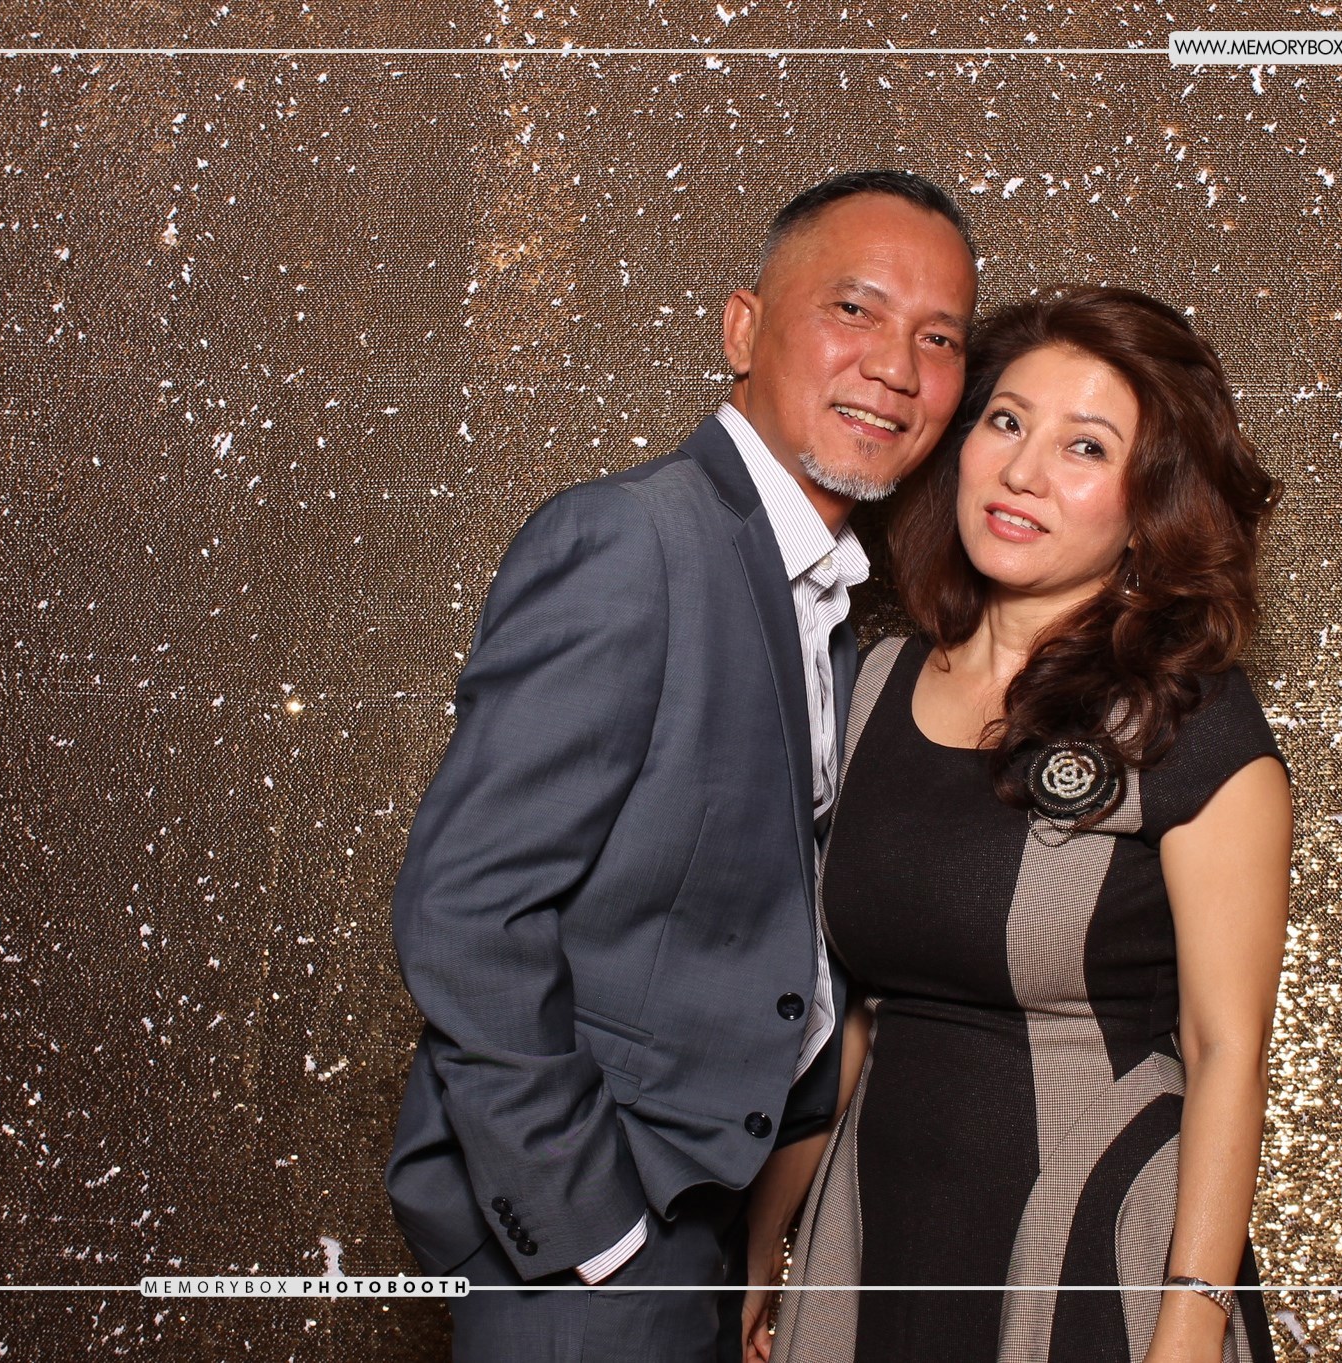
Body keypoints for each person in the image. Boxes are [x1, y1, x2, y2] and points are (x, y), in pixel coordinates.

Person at [385, 170, 978, 1362]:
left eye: (939, 338)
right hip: (595, 1245)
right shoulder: (631, 540)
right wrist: (597, 1233)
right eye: (852, 310)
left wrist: (749, 1236)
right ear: (742, 329)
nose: (894, 367)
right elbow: (466, 908)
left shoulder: (827, 602)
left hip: (706, 1225)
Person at [745, 286, 1293, 1363]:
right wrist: (763, 1245)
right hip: (875, 1234)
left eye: (1085, 446)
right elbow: (850, 1019)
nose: (1023, 471)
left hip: (1093, 1243)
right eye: (1005, 420)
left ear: (1151, 505)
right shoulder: (870, 683)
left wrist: (1190, 1325)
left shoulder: (1191, 722)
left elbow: (1225, 1050)